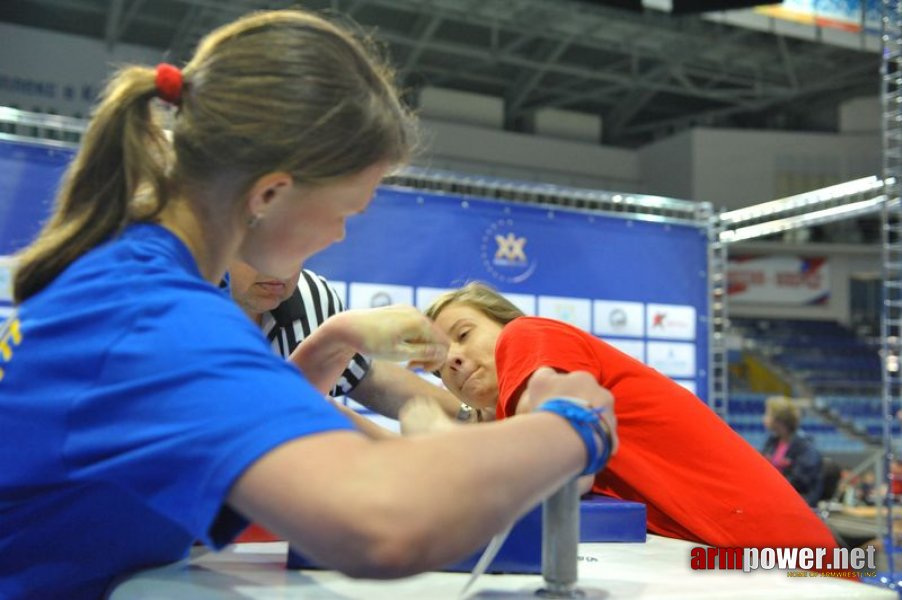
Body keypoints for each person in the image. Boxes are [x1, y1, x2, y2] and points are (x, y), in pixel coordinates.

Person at [0, 10, 618, 600]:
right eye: (347, 212)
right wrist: (575, 425)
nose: (341, 235)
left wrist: (332, 340)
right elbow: (381, 525)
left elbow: (239, 419)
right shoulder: (157, 318)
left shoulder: (132, 275)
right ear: (270, 192)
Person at [425, 282, 838, 550]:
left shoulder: (527, 334)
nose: (454, 361)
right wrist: (360, 371)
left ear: (504, 322)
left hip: (779, 558)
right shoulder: (510, 409)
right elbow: (439, 411)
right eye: (440, 364)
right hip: (756, 554)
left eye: (462, 335)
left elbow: (556, 463)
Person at [227, 260, 475, 422]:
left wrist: (470, 416)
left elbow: (365, 376)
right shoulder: (190, 312)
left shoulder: (312, 296)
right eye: (260, 241)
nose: (281, 266)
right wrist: (337, 335)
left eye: (301, 245)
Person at [762, 396, 825, 507]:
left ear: (779, 420)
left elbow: (800, 481)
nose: (764, 418)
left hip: (798, 502)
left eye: (768, 414)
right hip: (775, 499)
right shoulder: (772, 443)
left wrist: (770, 488)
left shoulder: (805, 447)